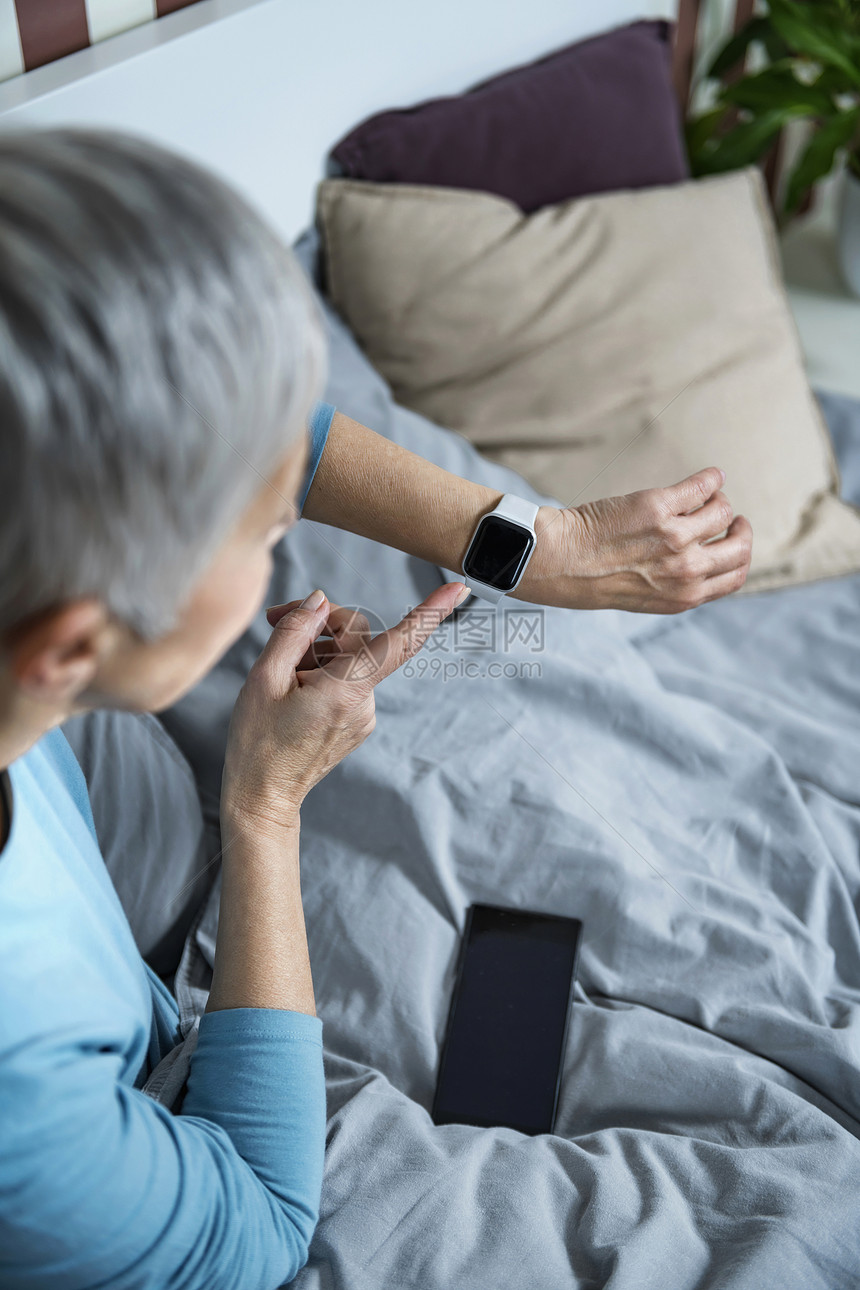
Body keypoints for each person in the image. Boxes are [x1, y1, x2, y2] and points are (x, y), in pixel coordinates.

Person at [0, 128, 752, 1290]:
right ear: (73, 646)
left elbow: (259, 425)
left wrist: (530, 548)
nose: (280, 550)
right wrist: (265, 805)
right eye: (260, 540)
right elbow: (250, 1235)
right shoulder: (22, 1076)